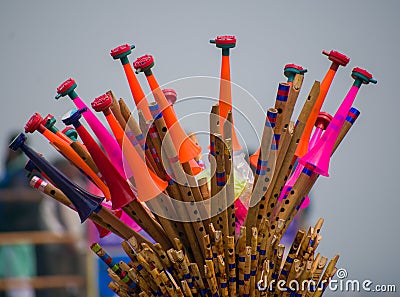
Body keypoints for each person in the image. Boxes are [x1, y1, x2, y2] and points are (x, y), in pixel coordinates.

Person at [0, 133, 41, 297]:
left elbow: (21, 196)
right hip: (16, 233)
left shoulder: (20, 172)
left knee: (19, 277)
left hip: (17, 231)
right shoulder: (14, 171)